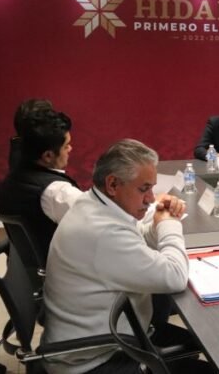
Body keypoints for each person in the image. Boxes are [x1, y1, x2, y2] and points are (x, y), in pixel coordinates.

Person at [42, 139, 210, 374]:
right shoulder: (103, 232)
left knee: (198, 342)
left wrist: (157, 222)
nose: (151, 198)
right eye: (144, 189)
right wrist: (170, 223)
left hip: (109, 337)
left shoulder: (92, 204)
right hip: (97, 361)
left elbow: (136, 237)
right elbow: (175, 277)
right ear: (113, 184)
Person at [0, 108, 81, 257]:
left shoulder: (7, 183)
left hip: (33, 264)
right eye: (66, 145)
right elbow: (99, 230)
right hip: (65, 266)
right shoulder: (59, 193)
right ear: (48, 156)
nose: (70, 149)